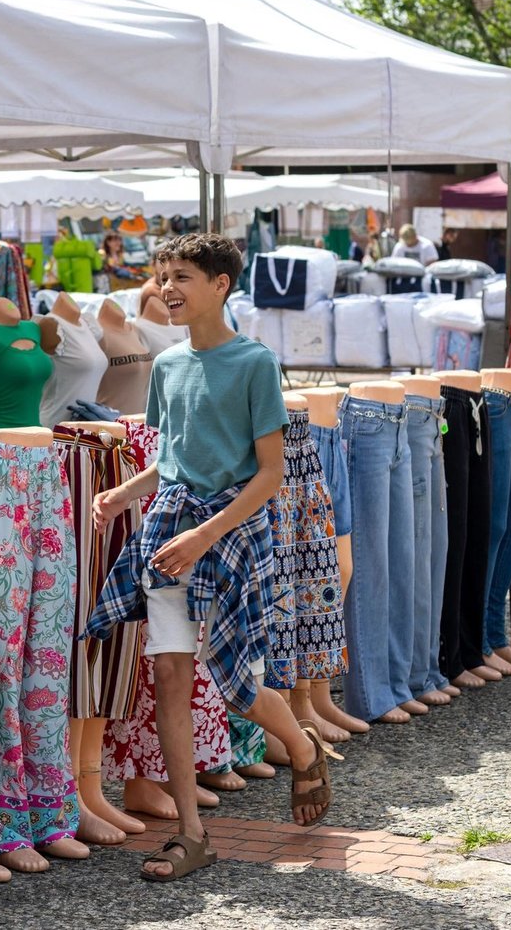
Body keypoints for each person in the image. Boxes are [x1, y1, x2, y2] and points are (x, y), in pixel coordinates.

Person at [84, 233, 331, 883]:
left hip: (235, 533)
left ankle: (302, 744)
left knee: (233, 682)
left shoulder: (253, 362)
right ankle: (192, 835)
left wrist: (205, 535)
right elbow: (172, 460)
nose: (167, 287)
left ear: (221, 284)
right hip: (172, 530)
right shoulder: (167, 367)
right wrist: (122, 493)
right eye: (162, 275)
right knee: (169, 674)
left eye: (182, 276)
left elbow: (270, 474)